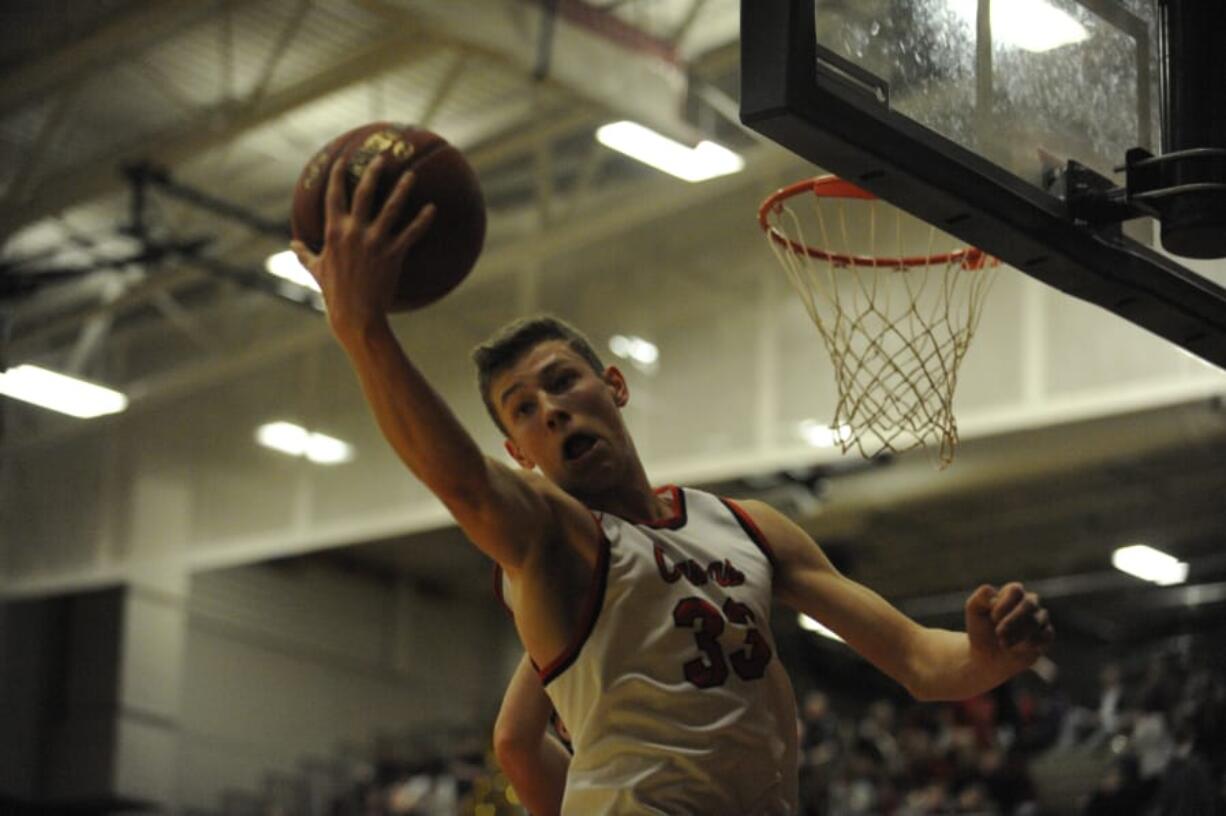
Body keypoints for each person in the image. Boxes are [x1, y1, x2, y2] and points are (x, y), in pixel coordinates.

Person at [291, 155, 1055, 815]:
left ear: (613, 387)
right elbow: (463, 485)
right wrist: (364, 330)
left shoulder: (746, 526)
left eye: (562, 383)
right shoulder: (552, 540)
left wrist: (989, 658)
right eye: (524, 410)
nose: (551, 410)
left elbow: (922, 660)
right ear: (516, 451)